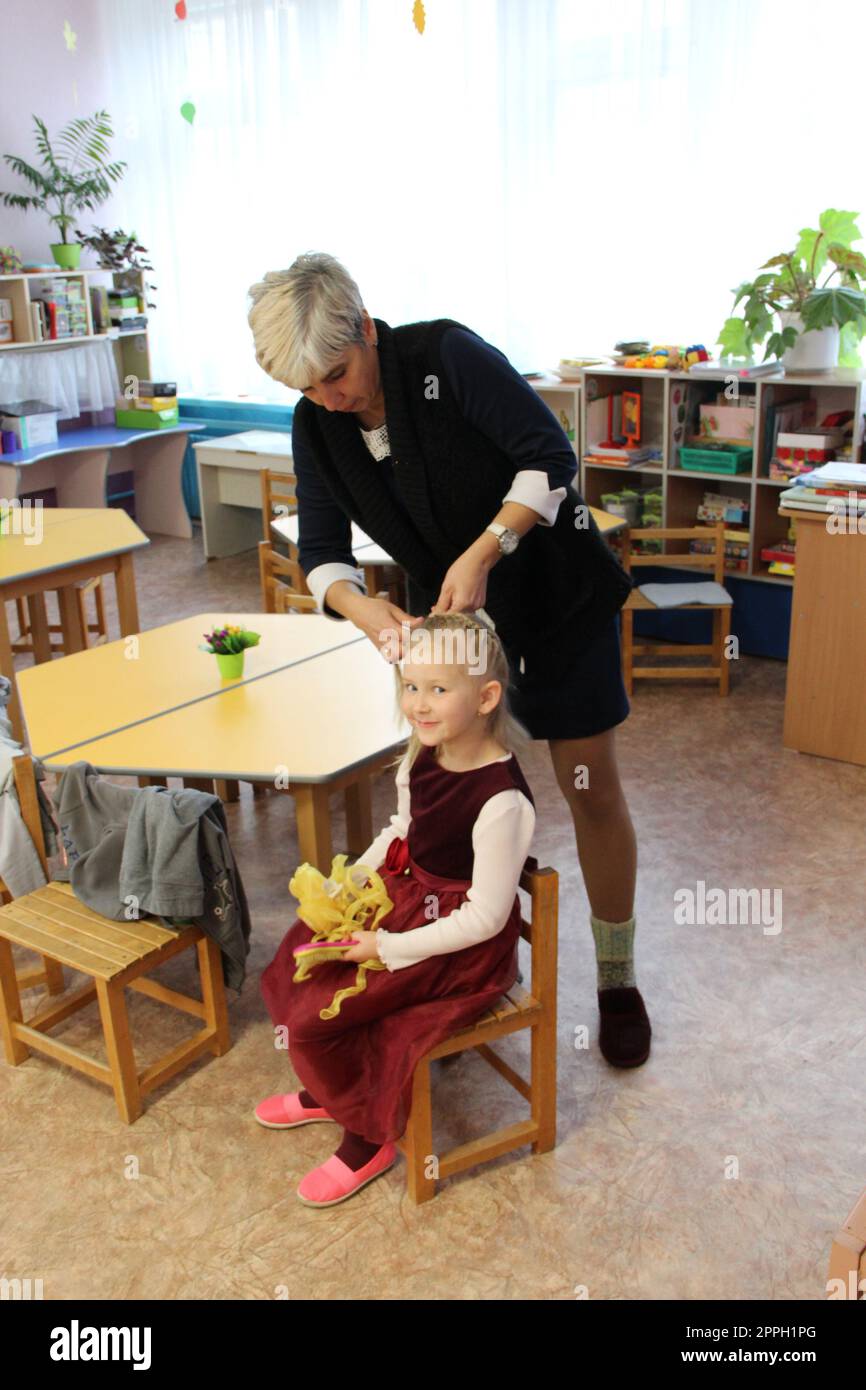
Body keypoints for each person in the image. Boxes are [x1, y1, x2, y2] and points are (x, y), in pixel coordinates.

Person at [248, 252, 651, 1069]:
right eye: (308, 388)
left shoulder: (445, 358)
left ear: (365, 329)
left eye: (337, 372)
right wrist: (366, 610)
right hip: (460, 627)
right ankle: (456, 967)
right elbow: (321, 554)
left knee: (590, 788)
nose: (330, 397)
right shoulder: (317, 421)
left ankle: (617, 979)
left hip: (556, 597)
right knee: (449, 804)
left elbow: (549, 459)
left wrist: (485, 550)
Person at [257, 612, 536, 1207]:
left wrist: (385, 948)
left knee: (335, 1013)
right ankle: (332, 1090)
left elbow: (484, 918)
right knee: (299, 956)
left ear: (486, 697)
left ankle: (367, 1137)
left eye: (438, 689)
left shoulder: (502, 802)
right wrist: (350, 882)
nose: (419, 704)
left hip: (459, 951)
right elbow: (400, 831)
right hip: (408, 901)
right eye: (412, 686)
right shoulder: (421, 757)